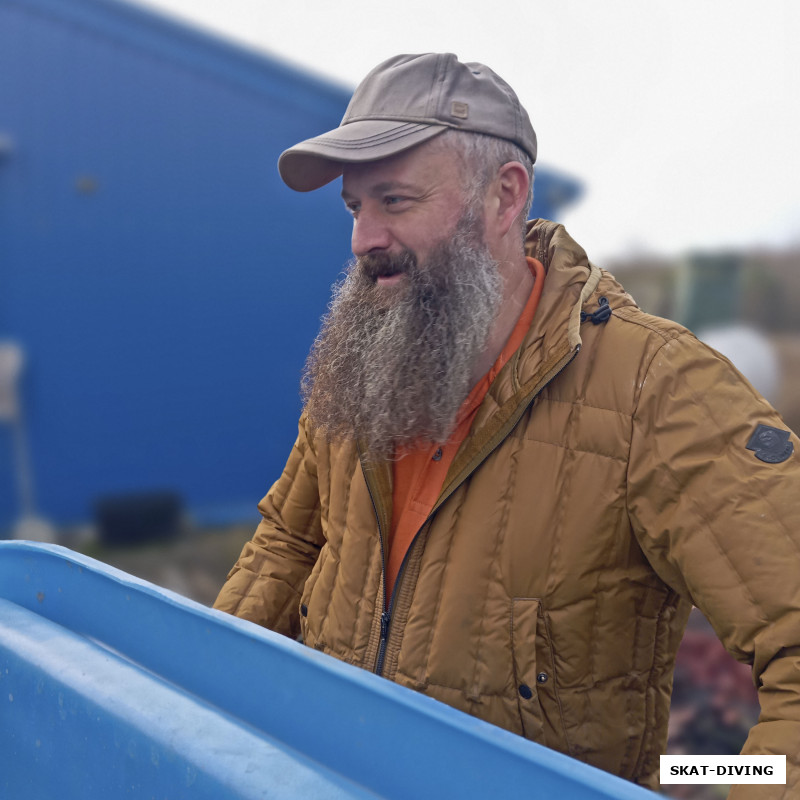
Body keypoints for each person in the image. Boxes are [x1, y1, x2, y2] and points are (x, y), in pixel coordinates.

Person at [214, 53, 799, 796]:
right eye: (354, 208)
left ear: (503, 196)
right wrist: (203, 699)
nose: (363, 239)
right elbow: (289, 539)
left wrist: (728, 783)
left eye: (394, 200)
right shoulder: (369, 353)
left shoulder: (657, 391)